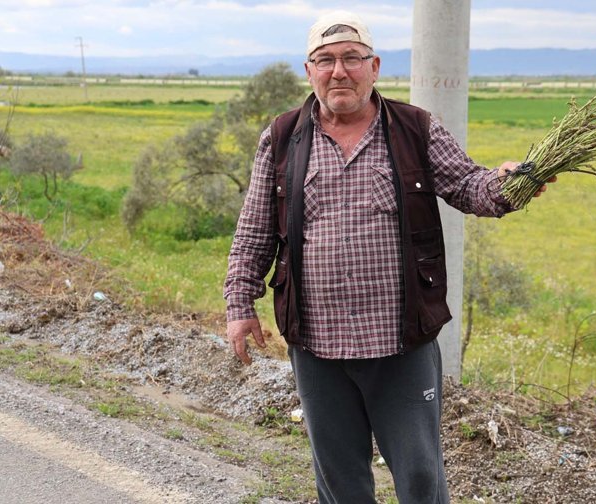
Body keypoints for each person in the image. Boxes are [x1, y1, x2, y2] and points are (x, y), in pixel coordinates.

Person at [223, 10, 552, 504]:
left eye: (352, 59)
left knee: (420, 476)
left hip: (400, 339)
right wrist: (239, 305)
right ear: (309, 70)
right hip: (317, 342)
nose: (339, 71)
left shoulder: (414, 128)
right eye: (326, 60)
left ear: (374, 67)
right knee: (340, 480)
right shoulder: (282, 137)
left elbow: (467, 185)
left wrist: (510, 184)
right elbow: (254, 229)